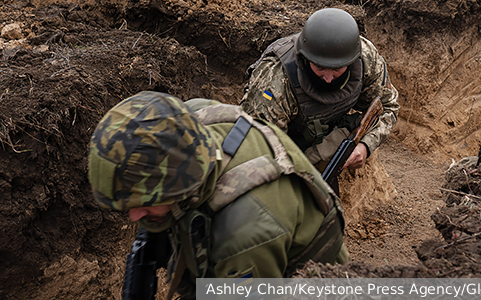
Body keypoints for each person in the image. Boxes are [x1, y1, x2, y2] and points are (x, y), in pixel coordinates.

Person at [88, 91, 347, 299]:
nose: (134, 216)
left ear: (182, 186)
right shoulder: (187, 121)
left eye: (145, 203)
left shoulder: (244, 235)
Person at [240, 8, 399, 179]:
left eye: (337, 69)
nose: (329, 78)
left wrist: (366, 146)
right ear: (305, 58)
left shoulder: (366, 58)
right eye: (320, 67)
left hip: (325, 130)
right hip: (284, 144)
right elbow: (257, 150)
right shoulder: (275, 80)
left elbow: (388, 106)